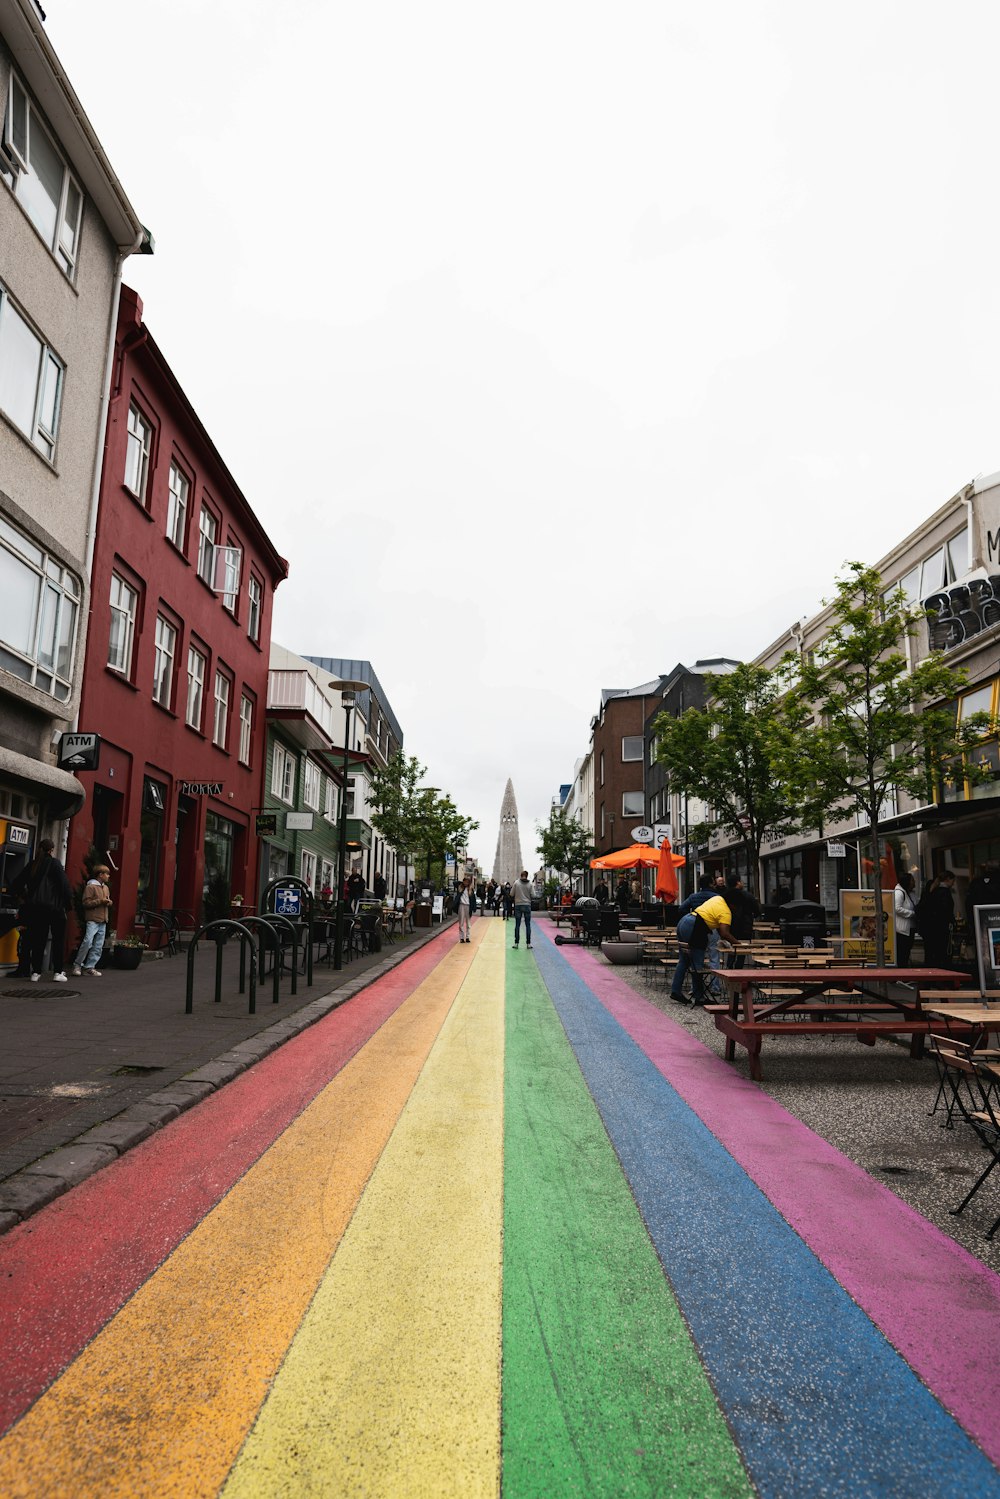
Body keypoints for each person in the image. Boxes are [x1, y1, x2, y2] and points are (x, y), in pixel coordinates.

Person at [670, 886, 733, 1004]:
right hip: (697, 927)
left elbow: (718, 926)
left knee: (683, 960)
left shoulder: (717, 899)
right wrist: (738, 943)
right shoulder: (726, 912)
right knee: (697, 963)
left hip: (684, 921)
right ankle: (699, 996)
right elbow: (725, 933)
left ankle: (676, 990)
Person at [21, 839, 72, 982]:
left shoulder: (33, 865)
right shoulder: (55, 863)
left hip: (37, 909)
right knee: (58, 940)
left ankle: (35, 972)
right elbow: (64, 885)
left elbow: (18, 883)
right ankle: (58, 972)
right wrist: (67, 904)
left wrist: (24, 899)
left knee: (38, 940)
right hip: (55, 908)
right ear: (51, 850)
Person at [72, 864, 113, 977]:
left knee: (98, 945)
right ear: (100, 875)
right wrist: (101, 901)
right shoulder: (90, 887)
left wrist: (109, 902)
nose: (108, 876)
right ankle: (77, 965)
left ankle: (90, 967)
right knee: (88, 942)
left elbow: (107, 900)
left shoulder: (105, 888)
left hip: (103, 919)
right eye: (107, 874)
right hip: (93, 919)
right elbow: (86, 903)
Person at [918, 870, 956, 969]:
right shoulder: (944, 893)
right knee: (942, 953)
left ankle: (930, 978)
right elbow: (945, 910)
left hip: (930, 928)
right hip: (941, 928)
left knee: (931, 953)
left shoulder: (932, 891)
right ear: (948, 879)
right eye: (952, 880)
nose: (953, 883)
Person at [893, 872, 917, 967]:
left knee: (906, 952)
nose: (914, 882)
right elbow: (897, 908)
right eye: (912, 880)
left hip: (909, 928)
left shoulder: (910, 893)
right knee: (903, 952)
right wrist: (911, 914)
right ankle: (901, 974)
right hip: (902, 929)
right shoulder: (899, 893)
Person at [511, 870, 533, 949]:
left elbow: (511, 894)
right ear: (527, 876)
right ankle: (528, 944)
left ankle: (516, 943)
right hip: (527, 905)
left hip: (518, 905)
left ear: (521, 875)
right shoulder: (530, 884)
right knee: (528, 925)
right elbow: (533, 895)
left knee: (517, 925)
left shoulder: (516, 883)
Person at [455, 874, 476, 943]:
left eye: (467, 882)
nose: (466, 883)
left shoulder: (471, 890)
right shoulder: (460, 888)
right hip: (461, 905)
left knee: (468, 923)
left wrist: (474, 908)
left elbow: (473, 899)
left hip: (468, 906)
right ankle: (461, 937)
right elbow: (454, 883)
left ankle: (467, 937)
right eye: (465, 881)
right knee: (461, 922)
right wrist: (462, 883)